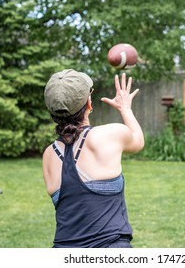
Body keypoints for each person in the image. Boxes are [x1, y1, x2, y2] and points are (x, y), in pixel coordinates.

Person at [42, 69, 144, 248]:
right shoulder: (106, 135)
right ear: (89, 103)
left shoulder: (49, 155)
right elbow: (137, 141)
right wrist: (125, 108)